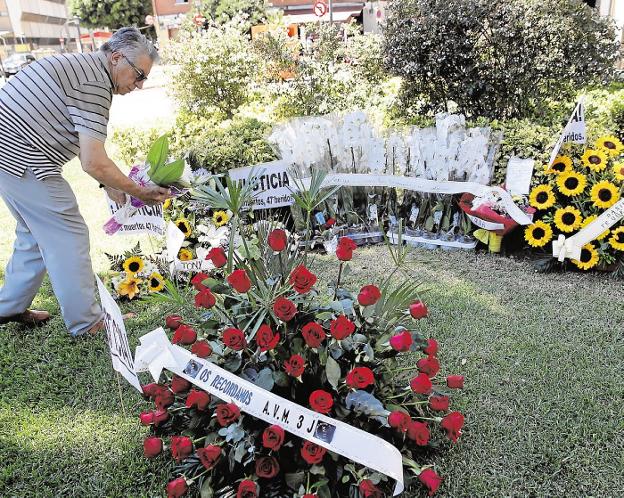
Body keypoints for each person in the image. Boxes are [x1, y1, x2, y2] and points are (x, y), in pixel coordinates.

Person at [0, 27, 169, 336]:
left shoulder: (84, 67)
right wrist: (140, 192)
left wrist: (112, 183)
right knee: (68, 233)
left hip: (9, 152)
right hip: (21, 155)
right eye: (139, 75)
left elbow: (83, 147)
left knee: (34, 234)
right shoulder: (95, 82)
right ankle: (87, 323)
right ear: (116, 58)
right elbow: (93, 161)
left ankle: (7, 307)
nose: (140, 85)